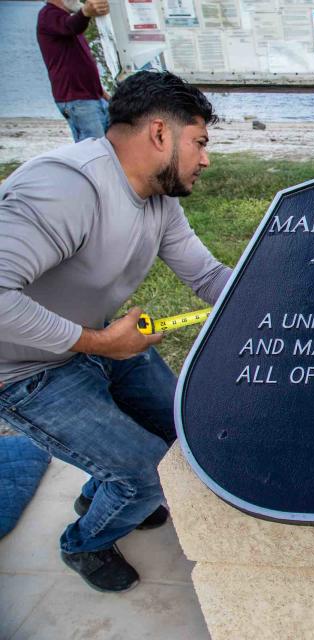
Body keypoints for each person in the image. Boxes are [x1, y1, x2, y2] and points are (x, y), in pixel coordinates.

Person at [0, 71, 232, 593]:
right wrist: (98, 344)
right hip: (21, 372)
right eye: (199, 143)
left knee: (186, 434)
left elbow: (207, 277)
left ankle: (106, 487)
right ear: (159, 134)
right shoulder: (64, 189)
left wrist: (288, 298)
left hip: (96, 338)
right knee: (148, 476)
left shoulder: (158, 196)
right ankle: (84, 542)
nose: (205, 160)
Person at [37, 0, 111, 142]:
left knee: (111, 146)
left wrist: (101, 92)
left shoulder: (65, 19)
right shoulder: (48, 15)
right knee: (93, 152)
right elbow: (72, 26)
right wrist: (85, 13)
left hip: (93, 97)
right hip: (77, 101)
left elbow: (80, 62)